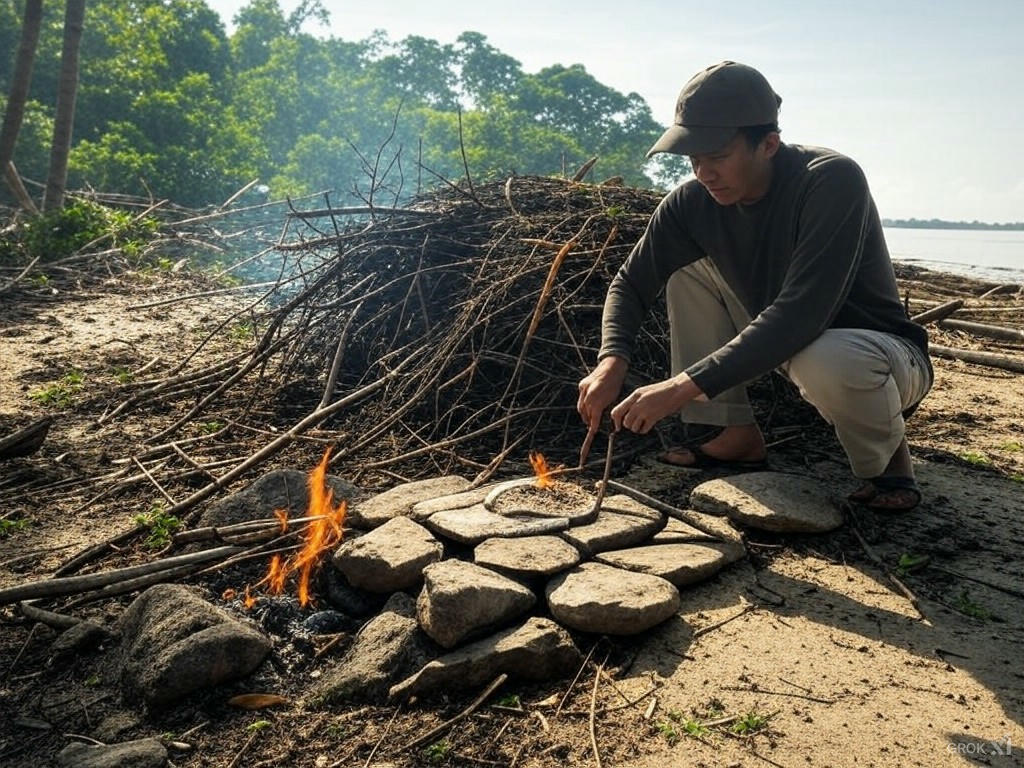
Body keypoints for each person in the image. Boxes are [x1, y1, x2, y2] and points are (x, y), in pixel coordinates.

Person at [576, 61, 933, 511]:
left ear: (768, 144)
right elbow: (631, 282)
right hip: (789, 348)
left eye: (717, 156)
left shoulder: (829, 180)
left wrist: (681, 387)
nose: (703, 173)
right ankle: (734, 434)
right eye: (693, 158)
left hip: (878, 356)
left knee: (829, 358)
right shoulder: (691, 203)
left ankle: (889, 464)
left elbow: (802, 313)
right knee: (687, 270)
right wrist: (611, 361)